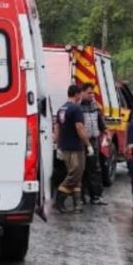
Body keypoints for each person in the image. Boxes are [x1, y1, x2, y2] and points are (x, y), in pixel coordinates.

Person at [55, 84, 92, 213]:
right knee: (75, 174)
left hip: (65, 147)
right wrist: (88, 144)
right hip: (76, 148)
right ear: (76, 94)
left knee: (77, 175)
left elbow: (57, 128)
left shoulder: (61, 109)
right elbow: (80, 128)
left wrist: (58, 145)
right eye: (80, 94)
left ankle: (77, 205)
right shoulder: (76, 109)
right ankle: (59, 198)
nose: (81, 96)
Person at [79, 83, 108, 205]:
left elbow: (100, 121)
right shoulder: (77, 107)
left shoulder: (95, 106)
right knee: (80, 170)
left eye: (93, 93)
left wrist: (106, 131)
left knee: (95, 169)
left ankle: (96, 196)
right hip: (81, 142)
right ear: (82, 93)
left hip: (93, 140)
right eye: (89, 93)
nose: (92, 95)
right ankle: (80, 197)